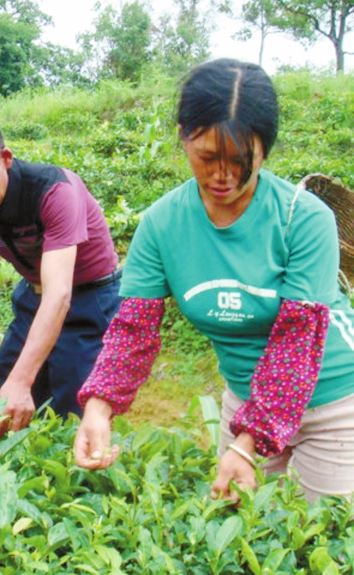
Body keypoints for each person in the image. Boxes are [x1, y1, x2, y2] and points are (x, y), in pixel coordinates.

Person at [74, 58, 354, 503]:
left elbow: (297, 342)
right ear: (184, 136)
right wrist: (98, 407)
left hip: (336, 402)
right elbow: (133, 331)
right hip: (245, 402)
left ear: (266, 149)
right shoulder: (163, 224)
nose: (222, 175)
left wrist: (247, 443)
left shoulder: (303, 219)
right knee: (240, 535)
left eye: (241, 160)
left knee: (322, 543)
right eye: (207, 157)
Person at [0, 105, 122, 435]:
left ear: (5, 157)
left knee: (71, 409)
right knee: (3, 402)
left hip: (92, 300)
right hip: (34, 295)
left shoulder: (54, 191)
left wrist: (23, 380)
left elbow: (60, 294)